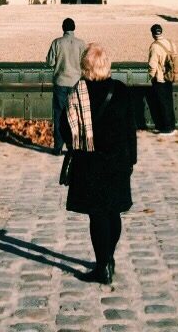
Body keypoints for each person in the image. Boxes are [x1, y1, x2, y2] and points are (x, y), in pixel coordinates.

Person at [60, 44, 136, 285]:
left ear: (85, 67)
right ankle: (108, 258)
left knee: (98, 215)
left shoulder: (77, 92)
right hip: (117, 161)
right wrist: (131, 159)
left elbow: (64, 128)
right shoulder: (121, 90)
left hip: (89, 162)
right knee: (113, 212)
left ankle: (102, 265)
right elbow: (130, 129)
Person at [46, 18, 86, 156]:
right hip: (75, 82)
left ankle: (57, 147)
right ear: (74, 28)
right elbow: (85, 64)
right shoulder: (81, 44)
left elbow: (50, 62)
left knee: (58, 115)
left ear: (63, 28)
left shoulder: (57, 42)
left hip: (60, 82)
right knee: (75, 115)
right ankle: (73, 145)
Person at [147, 23, 176, 135]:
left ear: (153, 34)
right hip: (170, 76)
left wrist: (151, 76)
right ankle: (172, 126)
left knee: (162, 103)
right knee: (169, 102)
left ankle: (167, 128)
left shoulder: (154, 46)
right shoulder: (170, 42)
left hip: (160, 78)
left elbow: (152, 64)